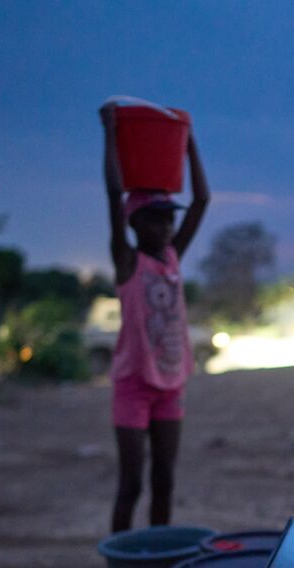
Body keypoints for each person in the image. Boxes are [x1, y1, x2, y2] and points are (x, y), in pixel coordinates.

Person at [99, 101, 210, 534]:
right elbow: (113, 194)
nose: (166, 227)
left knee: (164, 479)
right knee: (131, 484)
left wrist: (188, 140)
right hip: (133, 385)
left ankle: (158, 564)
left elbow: (201, 199)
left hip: (171, 383)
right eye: (156, 220)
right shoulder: (128, 262)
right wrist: (110, 131)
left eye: (169, 220)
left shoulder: (172, 260)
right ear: (134, 224)